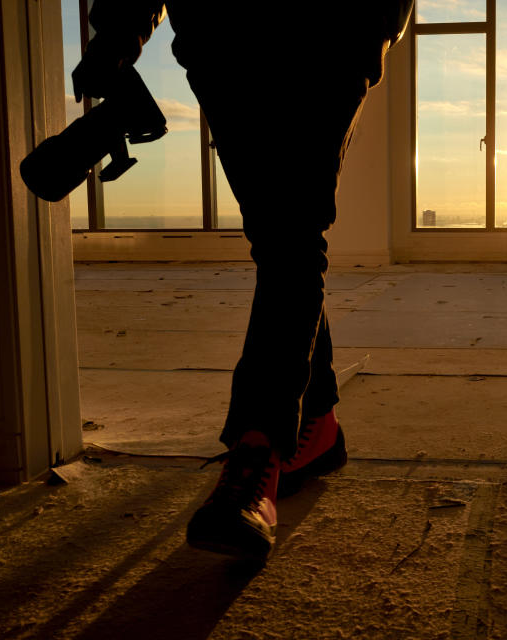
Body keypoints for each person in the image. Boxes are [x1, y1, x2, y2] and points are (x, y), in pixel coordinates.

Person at [71, 1, 414, 563]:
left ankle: (257, 453)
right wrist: (115, 35)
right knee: (279, 236)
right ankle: (318, 424)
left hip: (331, 35)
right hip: (222, 45)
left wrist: (370, 26)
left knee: (292, 232)